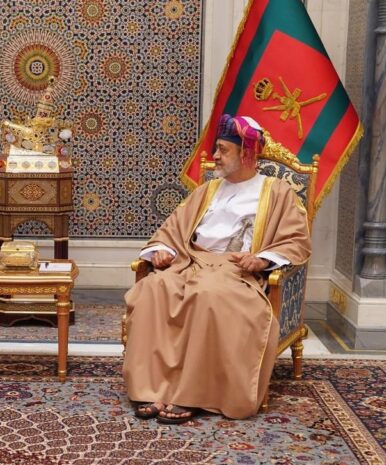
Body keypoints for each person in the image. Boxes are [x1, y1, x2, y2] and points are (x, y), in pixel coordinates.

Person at [123, 114, 311, 423]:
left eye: (223, 150)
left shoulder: (277, 192)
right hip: (191, 260)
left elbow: (296, 240)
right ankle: (151, 388)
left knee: (207, 295)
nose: (215, 156)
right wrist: (163, 250)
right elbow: (172, 228)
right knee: (154, 289)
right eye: (216, 149)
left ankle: (193, 394)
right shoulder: (208, 190)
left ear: (246, 153)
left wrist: (262, 259)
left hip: (236, 270)